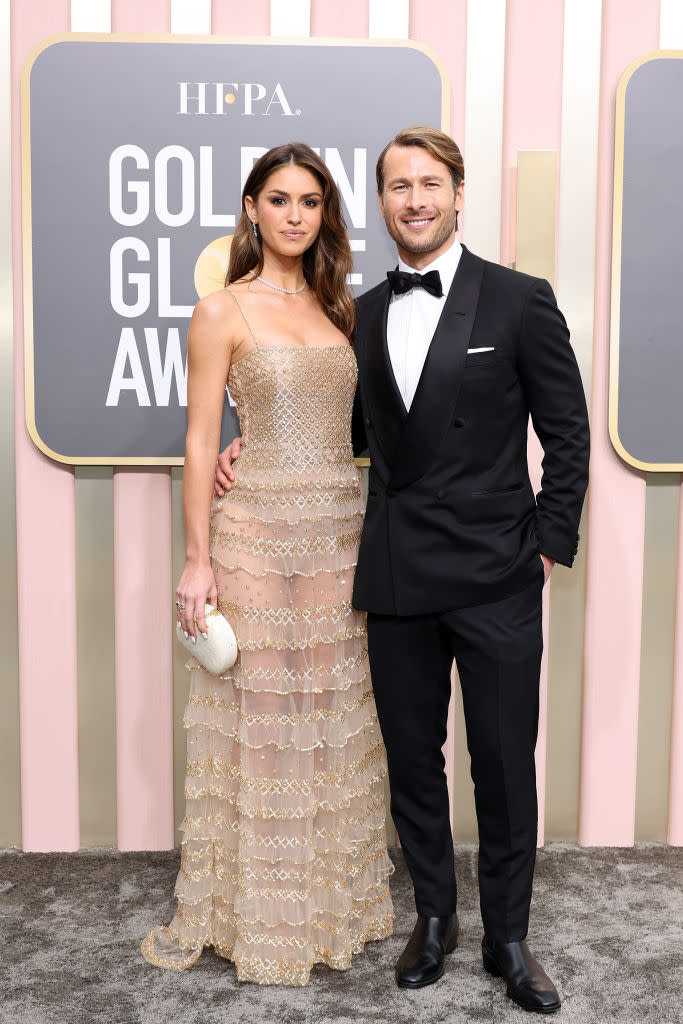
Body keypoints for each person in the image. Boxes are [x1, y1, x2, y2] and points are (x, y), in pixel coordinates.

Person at [216, 126, 590, 1012]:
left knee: (500, 765)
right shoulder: (362, 315)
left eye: (429, 184)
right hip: (394, 576)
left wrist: (546, 542)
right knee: (413, 764)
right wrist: (247, 448)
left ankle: (506, 938)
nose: (414, 200)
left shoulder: (518, 301)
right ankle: (433, 919)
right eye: (396, 187)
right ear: (380, 203)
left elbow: (567, 434)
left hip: (497, 572)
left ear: (458, 194)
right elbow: (347, 435)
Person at [141, 143, 394, 986]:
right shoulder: (220, 310)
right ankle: (260, 917)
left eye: (311, 201)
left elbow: (342, 421)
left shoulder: (339, 306)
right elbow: (198, 440)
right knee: (258, 716)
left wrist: (270, 432)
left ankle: (325, 904)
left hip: (337, 530)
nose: (295, 214)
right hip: (252, 530)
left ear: (325, 214)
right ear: (251, 208)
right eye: (279, 199)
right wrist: (195, 560)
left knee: (326, 715)